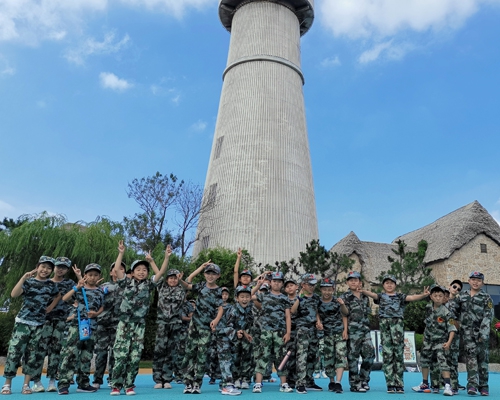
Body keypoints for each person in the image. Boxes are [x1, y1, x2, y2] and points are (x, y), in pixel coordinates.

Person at [110, 241, 170, 395]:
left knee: (135, 356)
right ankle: (116, 385)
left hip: (139, 325)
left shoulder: (149, 285)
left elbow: (161, 273)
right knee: (121, 355)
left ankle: (129, 385)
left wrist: (163, 258)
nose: (141, 272)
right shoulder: (126, 283)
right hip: (124, 324)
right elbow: (117, 269)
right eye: (138, 269)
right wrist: (121, 253)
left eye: (144, 270)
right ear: (132, 272)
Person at [1, 256, 60, 395]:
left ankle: (26, 385)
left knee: (32, 355)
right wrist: (23, 278)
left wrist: (50, 307)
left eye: (49, 268)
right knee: (14, 352)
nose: (45, 270)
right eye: (43, 266)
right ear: (37, 267)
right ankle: (7, 384)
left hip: (39, 324)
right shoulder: (29, 282)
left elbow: (58, 296)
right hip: (23, 322)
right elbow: (14, 294)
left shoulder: (51, 285)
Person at [361, 274, 429, 393]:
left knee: (398, 354)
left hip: (397, 324)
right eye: (387, 283)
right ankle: (390, 383)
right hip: (384, 324)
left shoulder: (400, 296)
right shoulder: (381, 296)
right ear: (383, 285)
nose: (389, 285)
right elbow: (373, 295)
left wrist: (423, 295)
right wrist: (363, 290)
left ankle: (399, 383)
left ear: (395, 285)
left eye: (391, 283)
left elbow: (412, 298)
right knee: (387, 355)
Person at [57, 264, 104, 395]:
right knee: (70, 354)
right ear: (85, 276)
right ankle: (63, 383)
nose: (93, 277)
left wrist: (96, 314)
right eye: (90, 275)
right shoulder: (79, 289)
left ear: (99, 276)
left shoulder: (100, 291)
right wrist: (76, 287)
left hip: (91, 327)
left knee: (87, 356)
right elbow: (65, 298)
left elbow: (103, 306)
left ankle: (83, 383)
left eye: (95, 275)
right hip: (76, 326)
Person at [31, 257, 75, 393]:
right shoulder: (46, 281)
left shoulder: (69, 283)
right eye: (58, 266)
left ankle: (52, 381)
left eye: (64, 267)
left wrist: (72, 315)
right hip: (44, 320)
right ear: (53, 267)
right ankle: (36, 381)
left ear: (67, 270)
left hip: (61, 320)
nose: (60, 269)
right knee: (40, 350)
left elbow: (76, 299)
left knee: (56, 351)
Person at [179, 261, 224, 394]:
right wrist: (200, 268)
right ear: (205, 275)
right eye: (208, 273)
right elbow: (187, 283)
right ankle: (187, 383)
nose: (210, 276)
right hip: (195, 325)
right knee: (190, 353)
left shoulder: (218, 290)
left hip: (206, 327)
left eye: (213, 274)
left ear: (218, 276)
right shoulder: (200, 286)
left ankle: (197, 383)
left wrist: (216, 320)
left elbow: (221, 308)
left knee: (202, 355)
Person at [251, 271, 292, 393]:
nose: (276, 284)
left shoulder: (285, 298)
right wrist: (258, 285)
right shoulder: (264, 295)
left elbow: (288, 316)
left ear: (282, 284)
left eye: (279, 282)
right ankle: (258, 383)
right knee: (263, 355)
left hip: (280, 332)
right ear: (270, 282)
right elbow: (249, 296)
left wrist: (288, 332)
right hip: (266, 332)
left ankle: (283, 384)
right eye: (274, 281)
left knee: (281, 357)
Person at [412, 285, 456, 396]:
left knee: (443, 362)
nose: (437, 298)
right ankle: (425, 384)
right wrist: (423, 337)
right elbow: (427, 324)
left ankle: (447, 386)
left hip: (440, 341)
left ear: (444, 298)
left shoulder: (447, 312)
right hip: (428, 341)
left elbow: (452, 329)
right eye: (435, 295)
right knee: (424, 361)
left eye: (440, 296)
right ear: (431, 297)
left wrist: (449, 342)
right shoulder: (428, 308)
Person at [455, 271, 494, 396]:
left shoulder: (486, 298)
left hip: (482, 334)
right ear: (469, 281)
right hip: (467, 334)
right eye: (473, 279)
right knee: (471, 360)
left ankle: (483, 386)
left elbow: (488, 316)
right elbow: (453, 312)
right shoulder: (462, 296)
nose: (475, 282)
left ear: (482, 283)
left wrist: (483, 334)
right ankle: (472, 385)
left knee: (482, 361)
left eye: (478, 280)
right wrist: (455, 325)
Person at [92, 260, 127, 389]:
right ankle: (97, 380)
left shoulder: (127, 286)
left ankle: (113, 378)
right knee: (101, 353)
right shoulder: (102, 286)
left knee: (115, 353)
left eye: (122, 269)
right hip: (102, 323)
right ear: (111, 271)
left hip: (118, 324)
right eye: (116, 268)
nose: (118, 270)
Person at [152, 264, 186, 390]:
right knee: (159, 351)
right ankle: (157, 378)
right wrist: (151, 261)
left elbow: (187, 284)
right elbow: (158, 272)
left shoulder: (181, 289)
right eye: (170, 278)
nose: (173, 280)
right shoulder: (161, 287)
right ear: (167, 279)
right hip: (162, 323)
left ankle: (166, 378)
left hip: (175, 324)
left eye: (175, 278)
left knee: (171, 352)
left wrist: (181, 279)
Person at [340, 271, 375, 392]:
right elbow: (344, 314)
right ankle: (355, 384)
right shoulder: (345, 297)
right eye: (351, 280)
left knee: (370, 354)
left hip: (365, 330)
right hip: (352, 331)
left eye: (356, 280)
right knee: (353, 357)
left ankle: (364, 379)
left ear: (360, 282)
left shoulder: (365, 296)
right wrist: (345, 330)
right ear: (347, 283)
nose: (353, 282)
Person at [316, 278, 348, 393]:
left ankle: (338, 382)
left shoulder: (337, 301)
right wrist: (318, 321)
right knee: (329, 358)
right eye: (324, 290)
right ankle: (332, 381)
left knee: (340, 355)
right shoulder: (318, 302)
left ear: (333, 290)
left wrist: (345, 330)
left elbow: (345, 314)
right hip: (326, 334)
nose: (327, 292)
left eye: (329, 290)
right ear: (321, 290)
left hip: (339, 332)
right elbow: (316, 313)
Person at [291, 274, 322, 394]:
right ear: (303, 285)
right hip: (302, 329)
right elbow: (292, 311)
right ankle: (300, 383)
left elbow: (317, 311)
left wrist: (318, 321)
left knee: (312, 356)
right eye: (310, 284)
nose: (312, 287)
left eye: (314, 284)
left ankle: (309, 381)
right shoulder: (298, 297)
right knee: (302, 356)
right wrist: (299, 297)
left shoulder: (316, 298)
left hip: (313, 330)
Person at [226, 285, 255, 392]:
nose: (245, 299)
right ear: (237, 298)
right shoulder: (232, 310)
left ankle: (246, 379)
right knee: (235, 359)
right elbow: (228, 325)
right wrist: (236, 332)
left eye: (247, 296)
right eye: (242, 297)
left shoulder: (252, 309)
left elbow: (255, 324)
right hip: (236, 340)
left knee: (248, 359)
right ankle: (236, 378)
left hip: (248, 339)